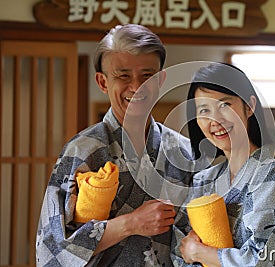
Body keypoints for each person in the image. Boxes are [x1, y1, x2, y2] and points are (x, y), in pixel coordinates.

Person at [36, 24, 196, 267]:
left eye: (147, 76)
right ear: (102, 82)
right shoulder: (83, 151)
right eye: (123, 76)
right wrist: (130, 224)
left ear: (161, 80)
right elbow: (53, 250)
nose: (136, 87)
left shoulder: (182, 151)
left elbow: (197, 238)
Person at [171, 63, 275, 266]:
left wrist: (199, 253)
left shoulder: (273, 176)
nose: (214, 120)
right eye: (204, 110)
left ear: (249, 106)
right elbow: (179, 250)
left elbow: (265, 260)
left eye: (224, 105)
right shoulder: (204, 181)